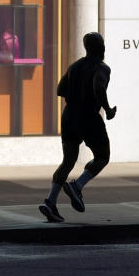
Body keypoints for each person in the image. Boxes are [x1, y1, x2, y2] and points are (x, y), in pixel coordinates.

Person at [39, 31, 117, 223]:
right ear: (101, 48)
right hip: (88, 116)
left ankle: (50, 202)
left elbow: (60, 89)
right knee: (102, 156)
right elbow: (98, 86)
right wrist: (107, 109)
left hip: (69, 116)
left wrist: (75, 90)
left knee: (68, 161)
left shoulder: (74, 67)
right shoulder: (102, 68)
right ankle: (78, 186)